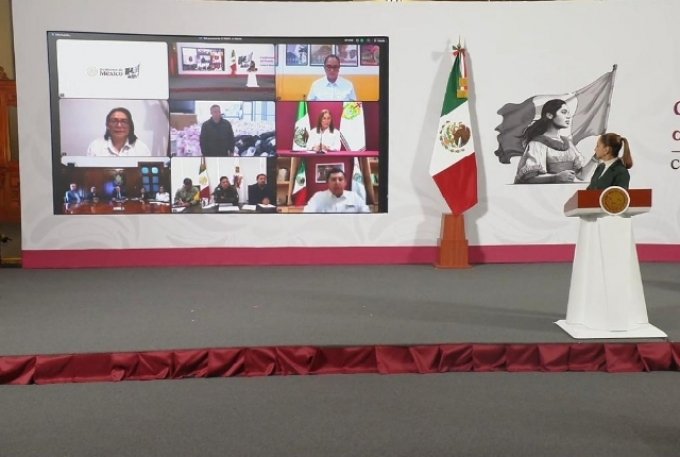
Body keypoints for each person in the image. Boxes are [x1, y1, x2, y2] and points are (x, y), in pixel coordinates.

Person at [514, 99, 598, 184]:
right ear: (549, 115)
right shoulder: (537, 143)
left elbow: (581, 176)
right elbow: (529, 178)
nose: (569, 116)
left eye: (568, 113)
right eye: (564, 112)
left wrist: (596, 156)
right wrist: (555, 177)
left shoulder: (568, 142)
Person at [87, 107, 152, 157]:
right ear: (107, 125)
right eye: (114, 121)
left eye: (124, 121)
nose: (119, 125)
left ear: (130, 126)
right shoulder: (95, 147)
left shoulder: (141, 149)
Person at [303, 167, 370, 213]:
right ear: (327, 183)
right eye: (333, 179)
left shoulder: (354, 197)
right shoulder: (318, 197)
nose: (337, 182)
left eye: (340, 179)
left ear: (345, 183)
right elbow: (306, 213)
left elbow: (366, 214)